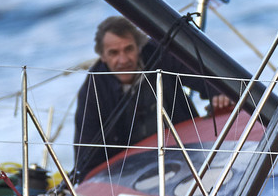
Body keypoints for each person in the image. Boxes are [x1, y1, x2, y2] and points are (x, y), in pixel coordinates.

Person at [71, 16, 231, 179]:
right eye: (113, 53)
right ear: (103, 56)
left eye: (129, 49)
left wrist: (218, 94)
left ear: (139, 47)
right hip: (132, 172)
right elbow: (86, 158)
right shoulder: (94, 88)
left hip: (185, 149)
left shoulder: (159, 54)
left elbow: (202, 77)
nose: (123, 60)